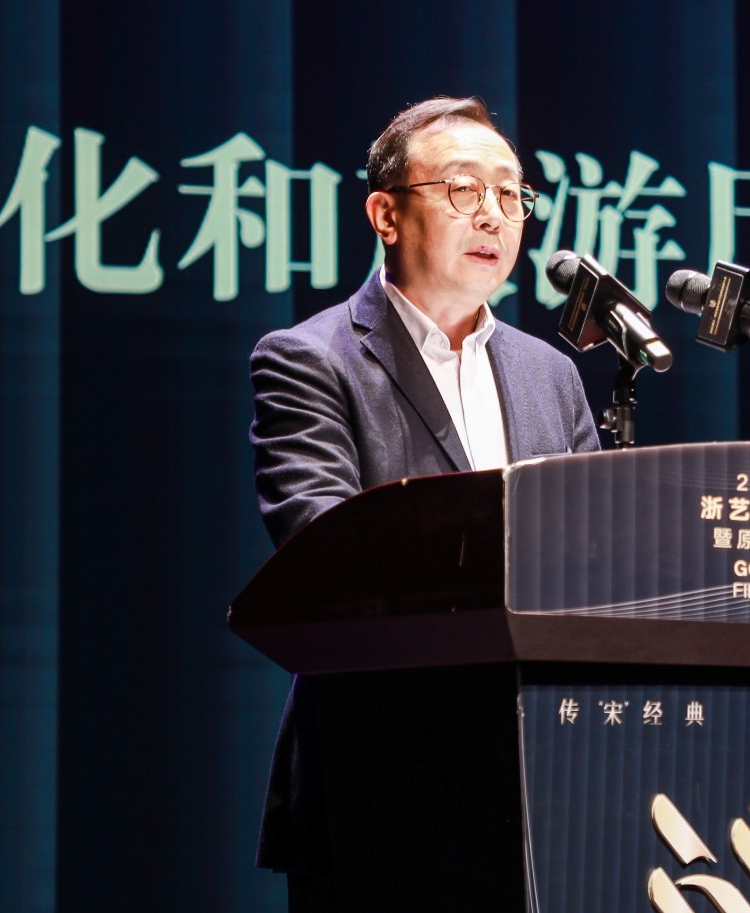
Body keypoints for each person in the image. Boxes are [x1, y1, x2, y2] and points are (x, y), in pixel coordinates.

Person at [246, 97, 601, 909]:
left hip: (548, 779)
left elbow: (596, 557)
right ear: (386, 214)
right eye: (463, 189)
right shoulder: (309, 361)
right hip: (381, 778)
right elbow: (323, 548)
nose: (494, 215)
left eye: (511, 194)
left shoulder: (551, 375)